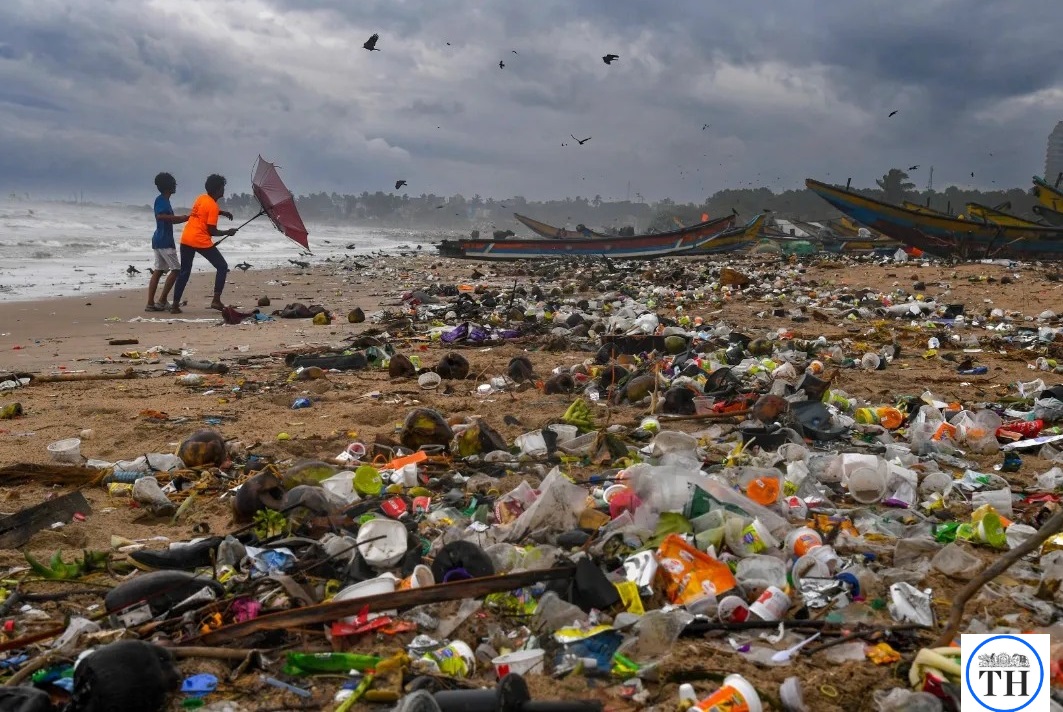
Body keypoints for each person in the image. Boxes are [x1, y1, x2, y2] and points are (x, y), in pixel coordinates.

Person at [170, 174, 235, 314]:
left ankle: (174, 305)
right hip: (200, 240)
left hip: (186, 238)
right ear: (218, 189)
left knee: (184, 272)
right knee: (222, 266)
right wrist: (227, 232)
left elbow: (203, 211)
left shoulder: (201, 198)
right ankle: (216, 300)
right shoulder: (212, 205)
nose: (224, 189)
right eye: (223, 187)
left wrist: (222, 212)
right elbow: (212, 231)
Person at [146, 172, 188, 312]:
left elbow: (167, 219)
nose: (176, 186)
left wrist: (182, 218)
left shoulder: (163, 200)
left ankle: (150, 303)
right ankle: (162, 300)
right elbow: (161, 216)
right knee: (176, 270)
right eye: (174, 183)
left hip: (158, 239)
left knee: (158, 270)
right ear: (169, 186)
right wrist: (180, 218)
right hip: (164, 241)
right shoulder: (162, 200)